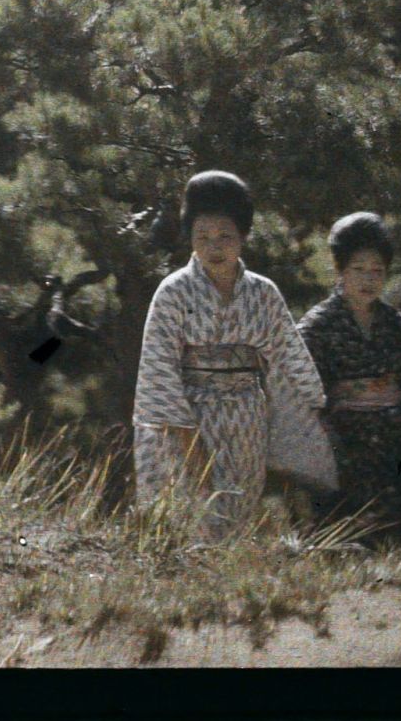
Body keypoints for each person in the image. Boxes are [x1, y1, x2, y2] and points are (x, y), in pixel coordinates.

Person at [133, 170, 327, 542]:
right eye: (202, 237)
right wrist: (188, 440)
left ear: (243, 237)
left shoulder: (263, 293)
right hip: (182, 422)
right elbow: (158, 374)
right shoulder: (173, 293)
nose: (214, 246)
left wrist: (305, 418)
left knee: (234, 523)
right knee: (185, 522)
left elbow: (288, 357)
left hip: (244, 419)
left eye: (225, 236)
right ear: (190, 239)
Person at [296, 213, 401, 536]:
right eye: (358, 270)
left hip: (396, 444)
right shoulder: (317, 327)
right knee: (339, 529)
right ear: (340, 271)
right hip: (342, 443)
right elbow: (302, 391)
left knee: (400, 523)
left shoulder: (399, 327)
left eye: (377, 271)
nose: (368, 280)